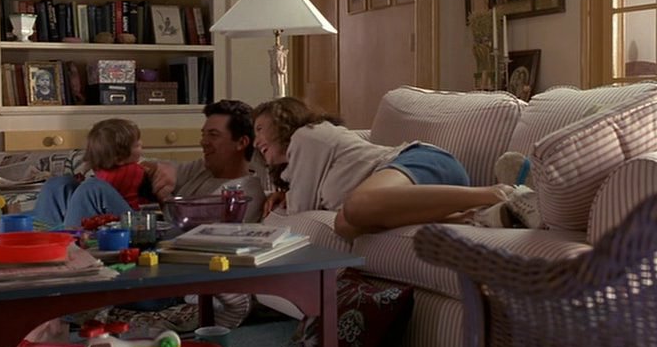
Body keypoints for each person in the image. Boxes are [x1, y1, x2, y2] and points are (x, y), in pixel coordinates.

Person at [253, 97, 513, 240]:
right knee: (345, 224)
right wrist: (284, 195)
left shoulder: (306, 136)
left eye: (260, 129)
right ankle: (474, 215)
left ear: (283, 121)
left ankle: (498, 193)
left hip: (423, 161)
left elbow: (300, 211)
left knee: (357, 205)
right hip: (423, 191)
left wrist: (287, 200)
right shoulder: (302, 161)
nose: (256, 142)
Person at [33, 99, 266, 228]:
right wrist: (157, 169)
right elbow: (148, 164)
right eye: (203, 134)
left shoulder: (244, 191)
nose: (203, 142)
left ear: (241, 143)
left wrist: (163, 197)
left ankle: (68, 257)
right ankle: (38, 258)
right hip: (148, 228)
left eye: (213, 135)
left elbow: (193, 233)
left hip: (163, 245)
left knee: (94, 189)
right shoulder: (203, 167)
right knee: (60, 185)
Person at [84, 118, 154, 210]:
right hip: (129, 214)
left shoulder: (98, 172)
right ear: (119, 159)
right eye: (136, 145)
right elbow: (152, 194)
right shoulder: (134, 171)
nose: (141, 143)